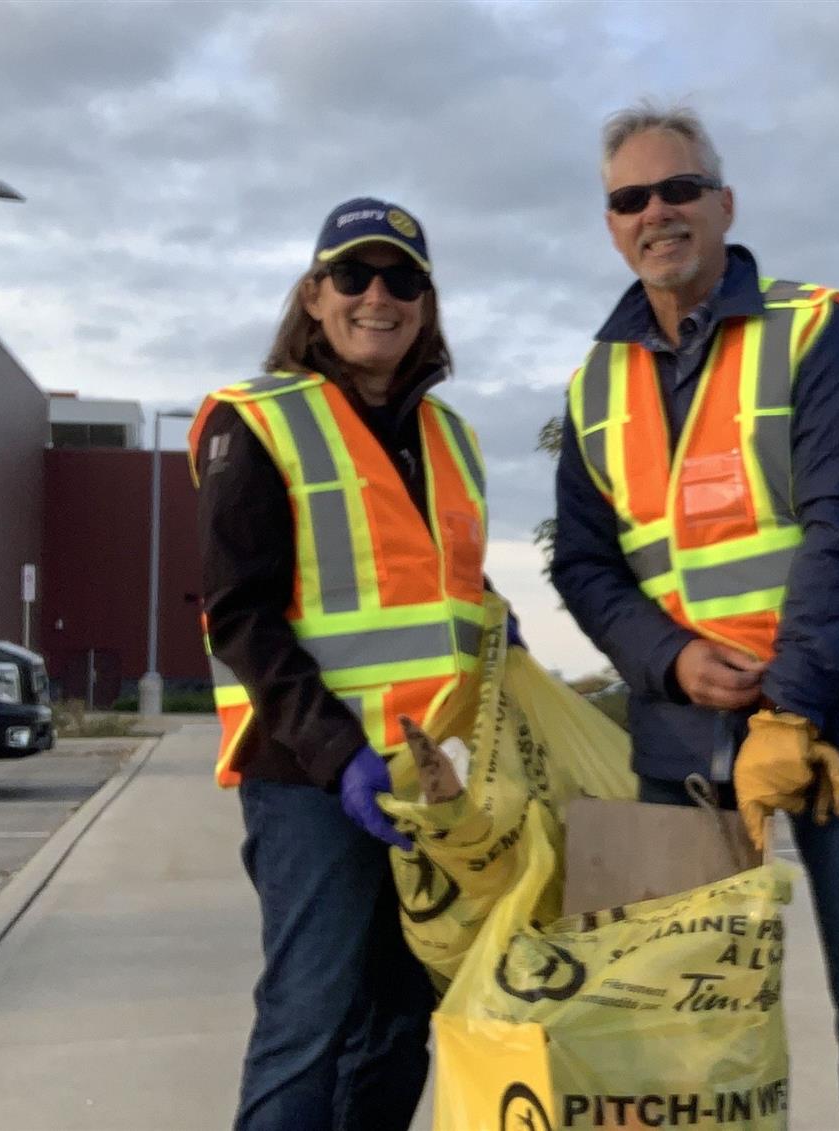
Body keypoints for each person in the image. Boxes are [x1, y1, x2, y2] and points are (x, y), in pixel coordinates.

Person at [550, 104, 839, 1130]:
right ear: (611, 225)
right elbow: (586, 565)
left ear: (724, 204)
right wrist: (670, 657)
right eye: (630, 199)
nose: (658, 212)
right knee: (673, 1017)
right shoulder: (594, 383)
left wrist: (791, 710)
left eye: (679, 188)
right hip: (680, 733)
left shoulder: (817, 329)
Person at [190, 197, 488, 1131]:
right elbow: (238, 616)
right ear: (314, 296)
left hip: (423, 783)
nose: (377, 296)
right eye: (352, 276)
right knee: (308, 1020)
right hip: (310, 779)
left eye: (402, 279)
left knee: (400, 1024)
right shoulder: (258, 420)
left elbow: (459, 608)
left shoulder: (453, 440)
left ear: (426, 304)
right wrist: (337, 752)